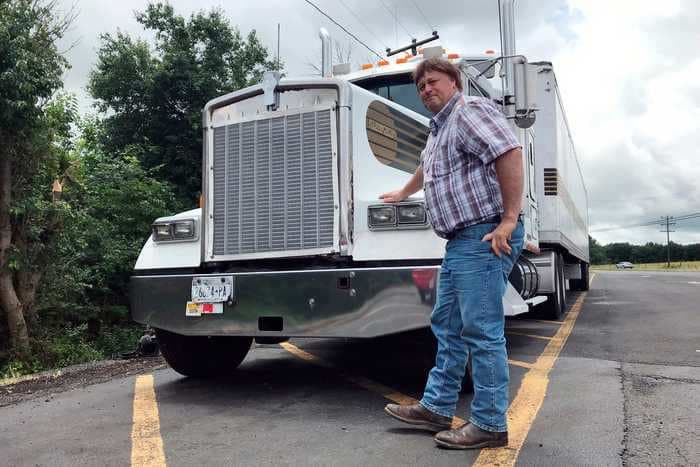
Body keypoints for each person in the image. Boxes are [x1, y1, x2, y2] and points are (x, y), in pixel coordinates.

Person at [381, 57, 525, 450]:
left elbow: (509, 151)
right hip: (461, 241)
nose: (427, 89)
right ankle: (437, 407)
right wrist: (404, 192)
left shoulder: (468, 112)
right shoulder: (439, 130)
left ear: (453, 81)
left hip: (485, 235)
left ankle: (491, 423)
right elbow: (427, 169)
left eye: (433, 81)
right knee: (447, 324)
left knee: (481, 330)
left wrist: (509, 220)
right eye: (422, 86)